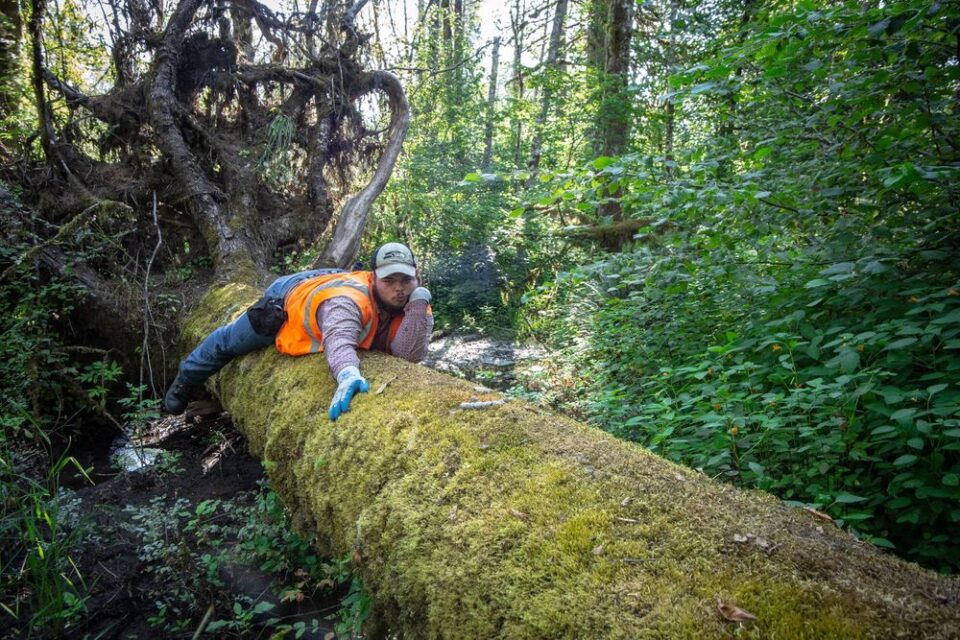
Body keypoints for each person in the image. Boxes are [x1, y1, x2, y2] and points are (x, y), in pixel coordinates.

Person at [164, 242, 433, 420]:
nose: (400, 288)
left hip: (332, 276)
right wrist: (348, 373)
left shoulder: (415, 303)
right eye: (390, 280)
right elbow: (338, 339)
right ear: (374, 278)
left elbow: (407, 355)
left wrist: (419, 306)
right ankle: (186, 376)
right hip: (289, 293)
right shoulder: (347, 301)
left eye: (406, 280)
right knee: (231, 341)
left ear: (416, 277)